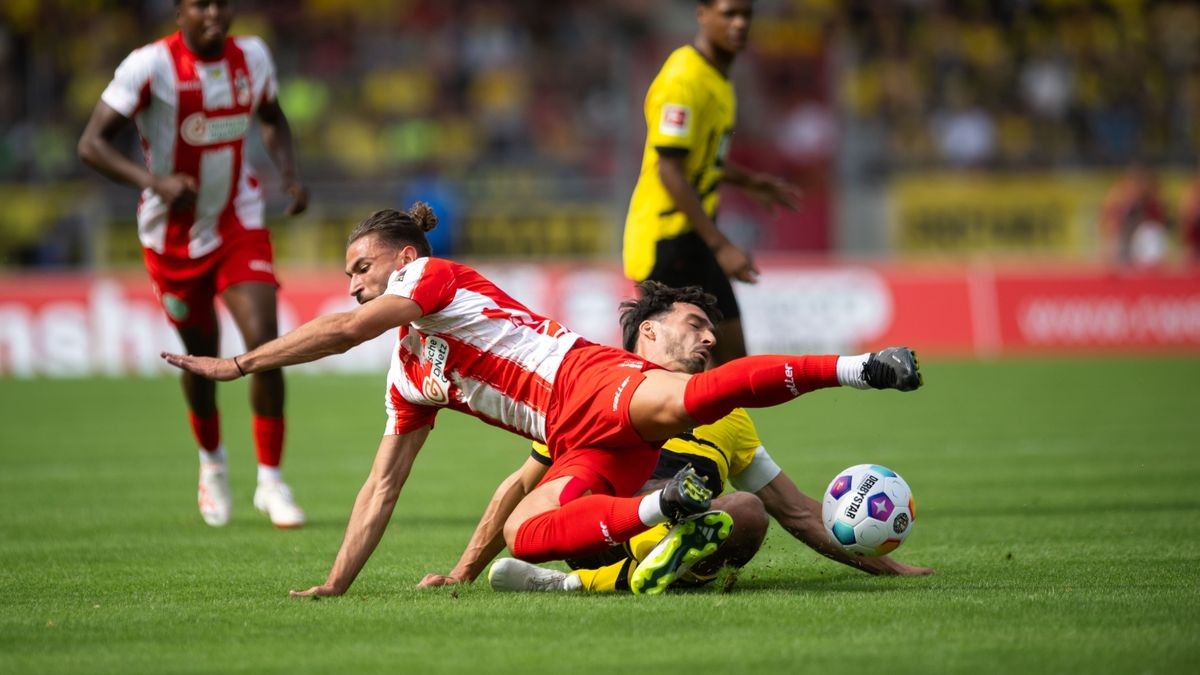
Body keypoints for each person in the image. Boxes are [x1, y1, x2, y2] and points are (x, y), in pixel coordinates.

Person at [161, 203, 923, 598]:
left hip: (583, 378)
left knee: (702, 396)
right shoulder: (411, 376)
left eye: (360, 266)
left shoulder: (432, 281)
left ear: (402, 257)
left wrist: (240, 362)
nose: (352, 281)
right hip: (579, 443)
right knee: (527, 535)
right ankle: (665, 510)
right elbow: (382, 486)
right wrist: (338, 581)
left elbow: (347, 327)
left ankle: (863, 368)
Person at [420, 281, 933, 595]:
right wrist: (462, 572)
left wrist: (888, 567)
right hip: (603, 531)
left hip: (684, 531)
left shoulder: (731, 419)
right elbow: (520, 489)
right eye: (695, 324)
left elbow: (795, 509)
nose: (710, 337)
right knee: (625, 502)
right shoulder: (596, 392)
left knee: (749, 511)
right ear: (650, 331)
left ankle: (594, 582)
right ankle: (635, 553)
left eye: (711, 329)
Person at [78, 0, 309, 528]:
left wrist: (289, 174)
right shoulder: (149, 66)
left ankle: (271, 481)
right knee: (201, 358)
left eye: (222, 4)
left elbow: (273, 118)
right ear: (179, 11)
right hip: (172, 237)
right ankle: (213, 465)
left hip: (237, 220)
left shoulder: (253, 57)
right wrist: (152, 182)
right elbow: (90, 144)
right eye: (200, 4)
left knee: (266, 344)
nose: (213, 14)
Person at [622, 0, 803, 366]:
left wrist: (747, 179)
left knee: (731, 359)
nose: (739, 24)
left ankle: (716, 426)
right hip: (666, 242)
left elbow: (699, 161)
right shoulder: (683, 79)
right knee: (669, 370)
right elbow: (670, 170)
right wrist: (722, 247)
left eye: (746, 15)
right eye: (729, 14)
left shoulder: (717, 79)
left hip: (696, 239)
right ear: (703, 14)